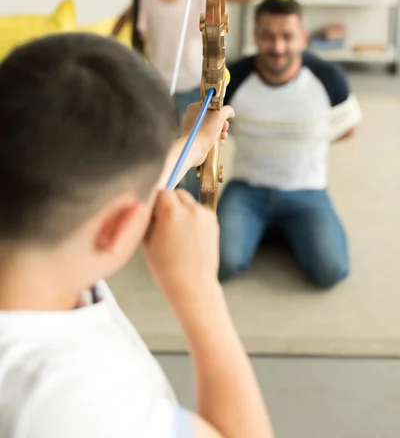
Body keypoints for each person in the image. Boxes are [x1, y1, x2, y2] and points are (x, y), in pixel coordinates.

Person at [0, 32, 274, 438]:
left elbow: (100, 200)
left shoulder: (40, 245)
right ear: (119, 227)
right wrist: (199, 291)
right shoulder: (73, 400)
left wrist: (192, 145)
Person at [112, 0, 274, 198]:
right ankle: (168, 200)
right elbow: (126, 16)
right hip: (160, 88)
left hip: (195, 86)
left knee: (193, 151)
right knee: (166, 149)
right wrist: (111, 40)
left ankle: (187, 202)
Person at [218, 0, 362, 288]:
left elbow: (347, 129)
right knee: (221, 264)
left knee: (330, 271)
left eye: (288, 36)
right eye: (269, 36)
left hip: (307, 191)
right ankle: (272, 229)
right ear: (255, 36)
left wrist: (307, 145)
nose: (278, 47)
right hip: (248, 189)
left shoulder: (329, 78)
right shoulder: (232, 78)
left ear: (303, 38)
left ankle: (280, 230)